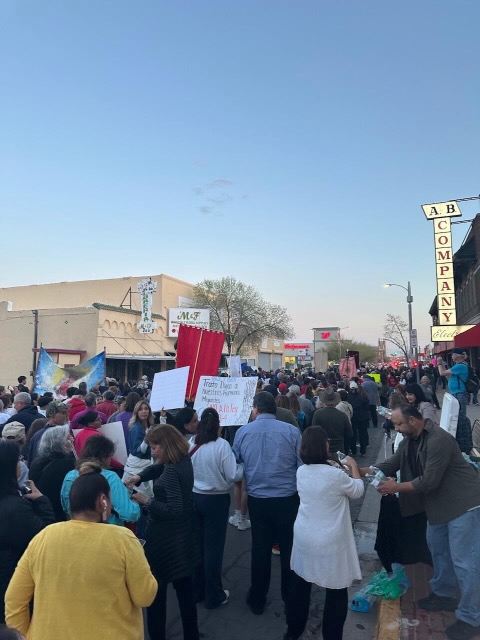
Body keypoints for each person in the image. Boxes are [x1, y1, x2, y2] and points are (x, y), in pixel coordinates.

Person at [363, 404, 480, 640]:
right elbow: (392, 463)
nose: (396, 428)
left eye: (398, 424)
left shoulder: (439, 440)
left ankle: (471, 617)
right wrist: (360, 469)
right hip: (438, 508)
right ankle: (444, 594)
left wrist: (395, 487)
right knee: (439, 552)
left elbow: (428, 481)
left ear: (414, 421)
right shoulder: (409, 440)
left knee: (465, 563)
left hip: (462, 505)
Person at [5, 461, 157, 639]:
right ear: (103, 501)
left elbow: (14, 599)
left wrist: (26, 635)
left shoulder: (44, 537)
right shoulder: (124, 540)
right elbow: (145, 596)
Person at [284, 427, 364, 640]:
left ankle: (293, 632)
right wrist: (353, 465)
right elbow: (357, 490)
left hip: (304, 536)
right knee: (336, 591)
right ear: (322, 446)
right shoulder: (336, 476)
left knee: (300, 587)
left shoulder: (301, 472)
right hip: (330, 540)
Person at [124, 424, 200, 640]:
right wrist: (140, 476)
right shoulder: (181, 460)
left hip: (165, 539)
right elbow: (158, 467)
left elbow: (174, 509)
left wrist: (146, 500)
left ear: (166, 445)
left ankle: (157, 635)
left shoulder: (173, 471)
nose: (153, 451)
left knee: (157, 593)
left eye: (155, 447)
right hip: (184, 535)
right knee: (185, 591)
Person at [232, 391, 302, 615]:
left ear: (256, 409)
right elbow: (301, 465)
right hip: (287, 499)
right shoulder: (292, 432)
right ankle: (290, 597)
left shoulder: (243, 432)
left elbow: (236, 462)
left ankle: (257, 598)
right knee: (289, 549)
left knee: (260, 549)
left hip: (258, 500)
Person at [189, 408, 241, 609]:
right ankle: (214, 594)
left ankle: (198, 590)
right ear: (218, 424)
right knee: (213, 550)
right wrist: (243, 468)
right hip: (216, 500)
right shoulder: (222, 446)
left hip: (195, 497)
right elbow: (233, 475)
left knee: (198, 545)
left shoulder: (192, 443)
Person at [0, 440, 55, 624]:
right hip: (12, 586)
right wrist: (41, 501)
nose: (20, 464)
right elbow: (43, 538)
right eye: (17, 460)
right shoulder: (15, 508)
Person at [62, 435, 140, 526]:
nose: (111, 461)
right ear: (103, 457)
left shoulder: (69, 476)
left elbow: (66, 507)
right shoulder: (110, 477)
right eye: (110, 457)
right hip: (107, 532)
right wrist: (135, 504)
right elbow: (129, 514)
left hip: (77, 531)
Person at [28, 425, 76, 521]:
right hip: (60, 514)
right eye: (67, 439)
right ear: (59, 443)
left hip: (40, 511)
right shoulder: (67, 464)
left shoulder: (37, 462)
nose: (71, 441)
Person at [436, 349, 473, 453]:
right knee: (456, 417)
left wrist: (439, 363)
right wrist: (442, 365)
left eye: (453, 355)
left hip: (460, 393)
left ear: (458, 356)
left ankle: (463, 442)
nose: (451, 356)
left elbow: (442, 373)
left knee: (459, 417)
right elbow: (448, 376)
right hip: (456, 393)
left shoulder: (461, 366)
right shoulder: (458, 366)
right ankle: (459, 440)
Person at [123, 400, 155, 497]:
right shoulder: (136, 428)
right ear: (136, 412)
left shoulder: (148, 426)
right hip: (137, 465)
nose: (144, 411)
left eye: (146, 409)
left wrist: (162, 417)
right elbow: (138, 451)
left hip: (145, 463)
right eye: (140, 409)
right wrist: (146, 438)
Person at [311, 388, 353, 455]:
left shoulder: (317, 414)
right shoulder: (342, 415)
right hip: (338, 448)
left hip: (323, 447)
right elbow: (349, 434)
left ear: (323, 401)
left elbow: (314, 432)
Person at [348, 381, 370, 457]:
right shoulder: (362, 397)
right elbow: (367, 406)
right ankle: (363, 451)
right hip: (362, 417)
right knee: (362, 434)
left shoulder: (348, 397)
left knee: (353, 434)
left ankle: (353, 450)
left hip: (353, 418)